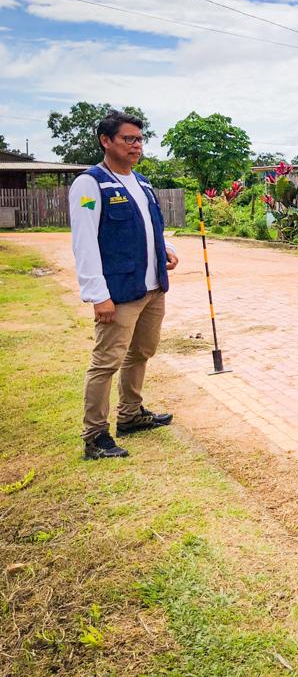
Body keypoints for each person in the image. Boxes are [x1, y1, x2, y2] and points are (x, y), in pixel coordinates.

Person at [68, 110, 178, 459]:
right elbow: (84, 241)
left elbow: (151, 227)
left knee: (141, 352)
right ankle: (95, 436)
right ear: (106, 141)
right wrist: (97, 295)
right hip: (118, 292)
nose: (136, 146)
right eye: (128, 139)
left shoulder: (142, 182)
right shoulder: (90, 185)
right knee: (106, 362)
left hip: (151, 288)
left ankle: (130, 414)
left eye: (139, 139)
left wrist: (167, 249)